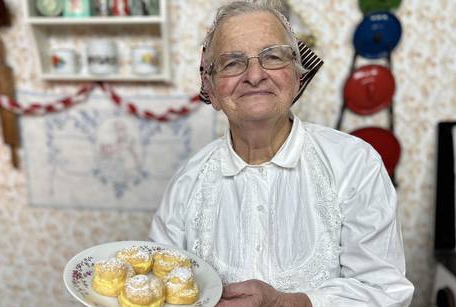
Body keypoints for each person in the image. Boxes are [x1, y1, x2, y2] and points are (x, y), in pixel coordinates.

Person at [149, 1, 414, 306]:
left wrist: (285, 302)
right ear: (211, 88)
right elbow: (160, 289)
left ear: (297, 77)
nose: (254, 74)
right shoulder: (188, 182)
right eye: (232, 62)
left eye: (272, 56)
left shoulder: (355, 164)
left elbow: (386, 292)